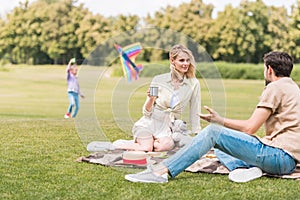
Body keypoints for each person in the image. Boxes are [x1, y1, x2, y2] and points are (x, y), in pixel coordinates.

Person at [124, 51, 300, 183]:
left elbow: (250, 128)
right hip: (288, 162)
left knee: (212, 133)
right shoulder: (293, 87)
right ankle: (246, 169)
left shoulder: (275, 87)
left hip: (278, 157)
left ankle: (161, 172)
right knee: (220, 147)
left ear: (269, 69)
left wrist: (219, 120)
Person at [113, 44, 201, 152]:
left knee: (165, 146)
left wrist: (197, 132)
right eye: (181, 60)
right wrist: (150, 99)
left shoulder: (194, 83)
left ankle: (146, 142)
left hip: (167, 128)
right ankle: (120, 144)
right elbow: (146, 112)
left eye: (188, 60)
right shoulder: (158, 80)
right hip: (150, 122)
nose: (186, 64)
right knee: (147, 148)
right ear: (172, 61)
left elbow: (195, 109)